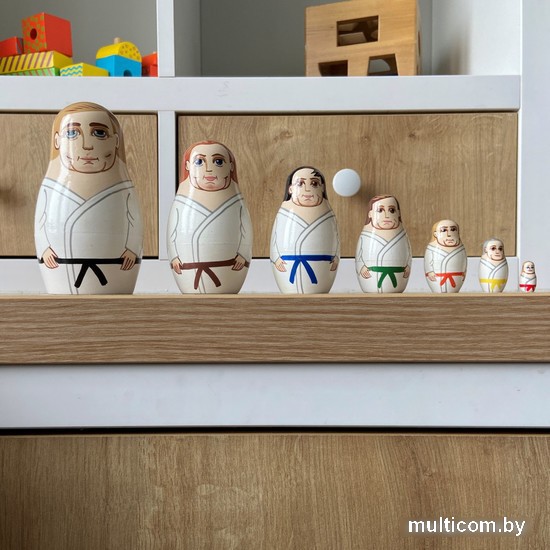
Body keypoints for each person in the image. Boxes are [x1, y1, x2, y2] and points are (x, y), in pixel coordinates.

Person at [34, 102, 143, 294]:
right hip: (65, 267)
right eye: (71, 133)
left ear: (116, 141)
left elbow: (133, 223)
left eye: (99, 133)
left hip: (112, 266)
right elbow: (42, 222)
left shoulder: (122, 190)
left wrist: (131, 249)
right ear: (57, 141)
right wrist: (45, 248)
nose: (87, 145)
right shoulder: (51, 187)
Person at [167, 140, 252, 293]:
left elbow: (245, 232)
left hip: (228, 265)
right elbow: (172, 233)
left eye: (218, 162)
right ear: (188, 166)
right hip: (192, 270)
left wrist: (242, 254)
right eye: (199, 162)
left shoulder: (235, 203)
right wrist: (174, 257)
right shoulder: (182, 203)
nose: (209, 169)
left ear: (231, 166)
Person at [270, 166, 339, 293]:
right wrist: (277, 258)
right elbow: (275, 238)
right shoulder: (285, 213)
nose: (307, 189)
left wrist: (335, 257)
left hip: (321, 263)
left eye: (314, 184)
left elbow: (336, 239)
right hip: (289, 264)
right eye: (300, 184)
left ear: (322, 188)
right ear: (290, 189)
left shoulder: (327, 216)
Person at [355, 194, 411, 293]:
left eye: (392, 210)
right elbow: (360, 254)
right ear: (370, 214)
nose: (386, 215)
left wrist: (406, 266)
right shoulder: (366, 236)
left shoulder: (401, 236)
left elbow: (407, 253)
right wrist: (362, 266)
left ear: (398, 213)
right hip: (371, 274)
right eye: (380, 210)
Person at [424, 219, 467, 293]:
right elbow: (428, 262)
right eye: (444, 230)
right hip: (437, 278)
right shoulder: (431, 248)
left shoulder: (460, 249)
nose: (449, 234)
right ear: (435, 234)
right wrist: (430, 271)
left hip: (455, 278)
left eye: (453, 230)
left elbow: (464, 262)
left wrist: (463, 272)